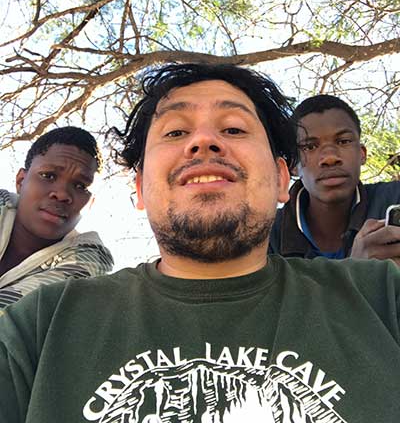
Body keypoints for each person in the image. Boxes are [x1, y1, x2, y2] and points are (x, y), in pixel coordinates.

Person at [1, 64, 400, 423]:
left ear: (282, 179)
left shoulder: (382, 297)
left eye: (233, 129)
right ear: (139, 189)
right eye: (176, 132)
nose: (204, 141)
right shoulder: (39, 326)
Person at [269, 94, 400, 261]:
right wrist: (359, 273)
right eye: (310, 146)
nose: (330, 157)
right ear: (293, 165)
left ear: (362, 154)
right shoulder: (267, 236)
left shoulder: (393, 200)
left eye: (343, 141)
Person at [0, 126, 114, 308]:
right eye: (48, 175)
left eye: (80, 186)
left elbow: (17, 318)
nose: (61, 194)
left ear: (90, 203)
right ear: (21, 181)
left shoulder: (89, 262)